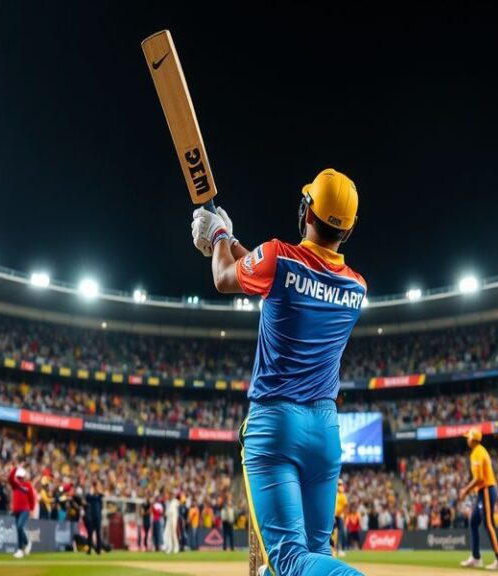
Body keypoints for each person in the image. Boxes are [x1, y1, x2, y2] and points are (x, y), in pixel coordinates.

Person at [191, 168, 366, 576]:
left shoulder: (277, 257)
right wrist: (232, 241)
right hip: (325, 432)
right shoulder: (357, 288)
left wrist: (217, 238)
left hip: (276, 424)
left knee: (289, 559)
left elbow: (224, 278)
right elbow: (280, 275)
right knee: (313, 553)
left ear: (306, 210)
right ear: (349, 229)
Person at [458, 429, 498, 571]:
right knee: (473, 522)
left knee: (488, 524)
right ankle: (476, 557)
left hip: (486, 489)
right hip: (483, 491)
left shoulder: (477, 453)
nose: (466, 439)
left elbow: (479, 478)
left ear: (472, 440)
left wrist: (465, 490)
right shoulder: (479, 451)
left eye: (468, 437)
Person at [8, 465, 36, 559]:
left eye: (21, 476)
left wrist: (32, 509)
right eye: (19, 477)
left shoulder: (28, 485)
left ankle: (26, 543)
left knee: (19, 526)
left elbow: (32, 498)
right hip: (16, 510)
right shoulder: (15, 484)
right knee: (18, 529)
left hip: (25, 510)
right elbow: (10, 477)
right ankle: (20, 550)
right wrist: (16, 467)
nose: (20, 478)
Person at [83, 480, 104, 555]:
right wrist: (92, 491)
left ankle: (98, 549)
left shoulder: (98, 496)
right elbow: (87, 497)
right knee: (90, 533)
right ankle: (89, 549)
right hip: (91, 516)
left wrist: (97, 490)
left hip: (98, 516)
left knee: (98, 533)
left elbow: (102, 495)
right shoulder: (91, 496)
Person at [334, 480, 348, 556]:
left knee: (340, 533)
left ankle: (340, 549)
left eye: (341, 484)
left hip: (339, 516)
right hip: (333, 516)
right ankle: (333, 549)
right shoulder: (334, 494)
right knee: (332, 533)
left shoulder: (342, 495)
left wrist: (344, 516)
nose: (340, 486)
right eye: (339, 484)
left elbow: (345, 506)